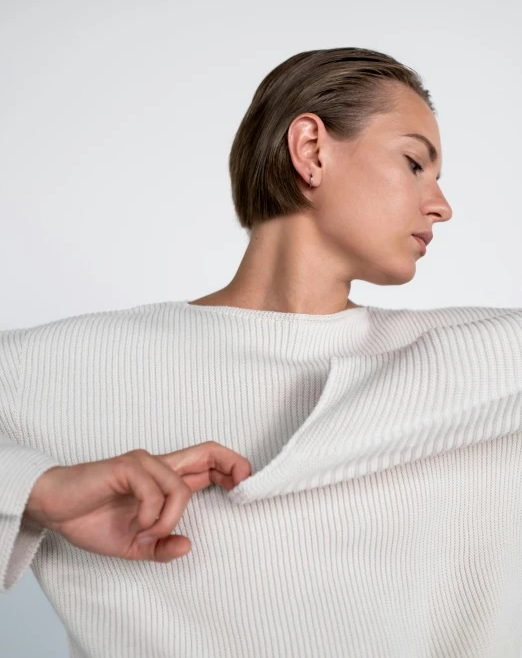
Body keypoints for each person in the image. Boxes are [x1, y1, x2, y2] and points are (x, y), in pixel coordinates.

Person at [1, 47, 521, 658]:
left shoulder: (486, 368)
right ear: (311, 150)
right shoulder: (60, 368)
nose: (442, 205)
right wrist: (37, 491)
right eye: (414, 163)